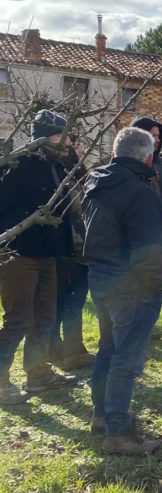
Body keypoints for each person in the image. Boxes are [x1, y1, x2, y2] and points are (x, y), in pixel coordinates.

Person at [82, 127, 162, 454]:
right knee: (126, 359)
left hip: (100, 279)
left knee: (108, 349)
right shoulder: (142, 194)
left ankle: (102, 415)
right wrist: (159, 285)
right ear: (149, 158)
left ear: (114, 154)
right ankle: (117, 433)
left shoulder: (94, 184)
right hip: (132, 287)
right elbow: (148, 253)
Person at [0, 110, 77, 405]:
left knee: (45, 317)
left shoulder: (55, 166)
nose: (69, 141)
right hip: (18, 255)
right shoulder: (18, 164)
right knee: (18, 320)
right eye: (65, 135)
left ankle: (37, 373)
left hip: (47, 254)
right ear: (50, 136)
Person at [50, 135, 93, 370]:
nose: (80, 150)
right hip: (75, 250)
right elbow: (78, 213)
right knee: (72, 303)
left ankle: (56, 349)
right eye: (76, 145)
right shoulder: (70, 181)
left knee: (62, 302)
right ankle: (72, 352)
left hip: (71, 249)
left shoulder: (69, 178)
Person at [130, 117, 162, 217]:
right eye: (153, 136)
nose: (158, 140)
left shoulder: (161, 165)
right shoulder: (128, 164)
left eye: (158, 136)